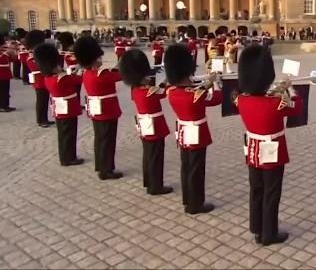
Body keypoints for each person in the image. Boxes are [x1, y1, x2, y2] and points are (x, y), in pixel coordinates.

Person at [237, 45, 303, 246]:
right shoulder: (275, 102)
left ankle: (257, 228)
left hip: (253, 150)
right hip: (272, 151)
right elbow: (297, 106)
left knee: (256, 189)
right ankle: (269, 234)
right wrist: (290, 88)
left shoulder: (241, 100)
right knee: (271, 193)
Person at [164, 44, 223, 214]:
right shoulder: (194, 94)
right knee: (197, 170)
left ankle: (187, 199)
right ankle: (196, 204)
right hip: (197, 133)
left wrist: (205, 82)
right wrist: (216, 82)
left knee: (186, 167)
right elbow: (216, 99)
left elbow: (192, 88)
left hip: (183, 132)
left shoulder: (172, 91)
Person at [120, 49, 173, 196]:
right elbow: (162, 93)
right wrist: (169, 80)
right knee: (155, 156)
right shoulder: (148, 90)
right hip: (154, 126)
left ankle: (148, 181)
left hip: (144, 125)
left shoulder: (137, 89)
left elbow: (157, 91)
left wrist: (162, 82)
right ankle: (156, 187)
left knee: (148, 154)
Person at [74, 36, 124, 180]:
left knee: (100, 140)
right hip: (107, 111)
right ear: (95, 58)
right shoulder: (102, 74)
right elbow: (120, 76)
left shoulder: (88, 73)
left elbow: (112, 73)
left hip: (97, 111)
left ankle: (101, 166)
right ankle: (106, 170)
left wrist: (118, 64)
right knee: (108, 141)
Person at [33, 43, 84, 167]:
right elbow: (78, 80)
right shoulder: (62, 78)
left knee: (63, 134)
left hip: (59, 108)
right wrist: (80, 70)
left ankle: (66, 156)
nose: (59, 67)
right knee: (69, 134)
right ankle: (68, 158)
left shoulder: (49, 78)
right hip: (68, 108)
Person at [25, 30, 53, 128]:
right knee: (41, 100)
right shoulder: (32, 53)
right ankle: (40, 120)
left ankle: (45, 118)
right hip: (39, 79)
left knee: (45, 100)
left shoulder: (38, 52)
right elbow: (34, 65)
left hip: (43, 78)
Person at [0, 34, 18, 112]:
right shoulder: (3, 52)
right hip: (1, 74)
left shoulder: (4, 50)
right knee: (2, 91)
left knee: (6, 91)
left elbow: (12, 59)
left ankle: (5, 105)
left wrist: (13, 53)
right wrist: (6, 53)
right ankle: (2, 106)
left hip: (6, 73)